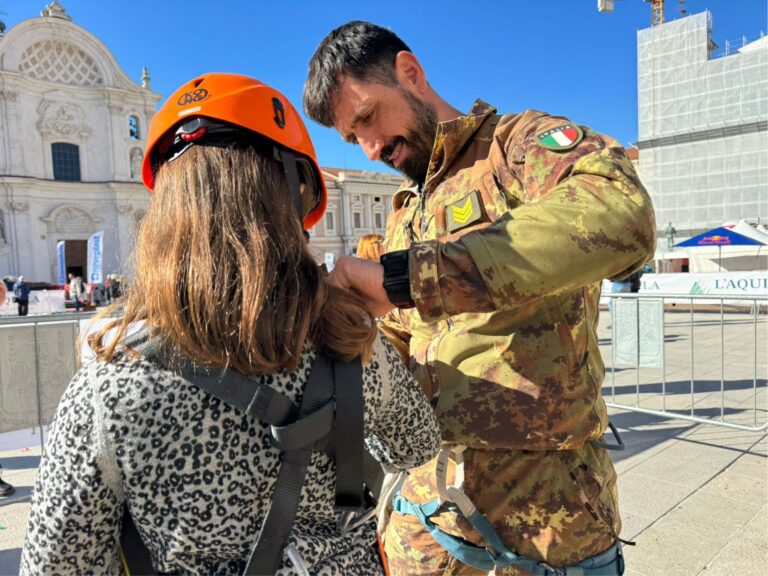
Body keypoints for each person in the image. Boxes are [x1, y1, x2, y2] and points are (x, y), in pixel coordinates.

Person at [21, 73, 440, 575]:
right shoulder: (352, 341)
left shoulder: (108, 387)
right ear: (295, 198)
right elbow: (418, 445)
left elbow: (55, 564)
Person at [304, 21, 656, 575]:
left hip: (549, 516)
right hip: (429, 513)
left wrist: (408, 278)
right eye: (353, 139)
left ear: (410, 73)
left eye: (368, 118)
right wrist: (343, 328)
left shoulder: (514, 147)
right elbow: (399, 335)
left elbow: (623, 215)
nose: (372, 148)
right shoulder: (404, 208)